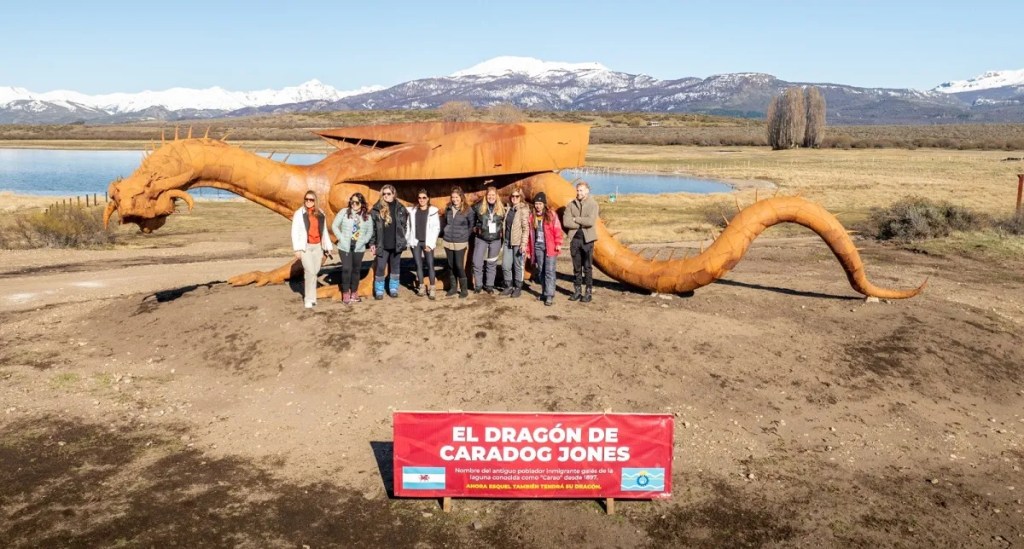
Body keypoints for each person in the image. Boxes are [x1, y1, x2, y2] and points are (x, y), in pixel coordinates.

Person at [290, 190, 333, 309]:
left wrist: (328, 246)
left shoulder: (321, 213)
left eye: (311, 200)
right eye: (306, 199)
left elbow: (324, 231)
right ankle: (308, 299)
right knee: (310, 272)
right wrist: (297, 249)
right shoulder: (299, 213)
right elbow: (295, 232)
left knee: (315, 271)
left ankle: (313, 297)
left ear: (315, 201)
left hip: (318, 247)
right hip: (306, 247)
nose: (308, 201)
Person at [331, 192, 375, 304]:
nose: (354, 204)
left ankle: (354, 292)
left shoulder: (367, 216)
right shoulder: (344, 212)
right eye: (352, 202)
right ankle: (346, 292)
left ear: (361, 203)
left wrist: (364, 241)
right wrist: (341, 238)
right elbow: (334, 226)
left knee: (356, 270)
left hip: (358, 247)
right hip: (344, 246)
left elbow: (370, 231)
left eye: (357, 202)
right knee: (347, 269)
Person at [561, 180, 599, 303]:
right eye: (577, 190)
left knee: (587, 267)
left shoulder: (593, 204)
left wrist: (575, 219)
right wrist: (581, 222)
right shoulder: (571, 205)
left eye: (581, 190)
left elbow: (590, 221)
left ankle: (588, 292)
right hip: (575, 240)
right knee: (576, 267)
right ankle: (577, 291)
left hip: (587, 240)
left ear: (587, 191)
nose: (579, 193)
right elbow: (566, 222)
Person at [371, 184, 410, 299]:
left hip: (396, 243)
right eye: (384, 194)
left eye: (388, 193)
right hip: (382, 244)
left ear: (394, 194)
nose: (386, 196)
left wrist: (402, 237)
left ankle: (393, 289)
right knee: (380, 267)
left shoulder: (401, 208)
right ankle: (379, 290)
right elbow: (373, 228)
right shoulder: (376, 209)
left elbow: (405, 225)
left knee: (395, 267)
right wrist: (372, 243)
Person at [525, 192, 563, 306]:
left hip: (550, 246)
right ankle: (544, 292)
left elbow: (557, 229)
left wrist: (558, 243)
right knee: (541, 270)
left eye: (540, 203)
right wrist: (528, 250)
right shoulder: (532, 216)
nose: (538, 206)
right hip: (538, 246)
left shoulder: (551, 214)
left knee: (549, 271)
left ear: (544, 204)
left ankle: (549, 295)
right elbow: (530, 236)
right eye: (536, 203)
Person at [441, 187, 476, 299]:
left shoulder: (468, 210)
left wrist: (464, 236)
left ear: (461, 197)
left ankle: (464, 289)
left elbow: (471, 225)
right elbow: (446, 222)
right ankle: (453, 288)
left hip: (460, 242)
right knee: (450, 265)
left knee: (459, 265)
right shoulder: (448, 209)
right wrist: (445, 232)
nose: (454, 199)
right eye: (453, 197)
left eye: (456, 197)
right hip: (448, 241)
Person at [406, 189, 440, 299]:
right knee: (418, 264)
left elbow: (436, 228)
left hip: (427, 242)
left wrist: (430, 244)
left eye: (424, 197)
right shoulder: (412, 211)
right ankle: (421, 286)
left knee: (430, 264)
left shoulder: (433, 211)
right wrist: (408, 239)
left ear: (428, 198)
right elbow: (408, 226)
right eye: (419, 197)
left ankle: (432, 287)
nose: (422, 200)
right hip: (416, 241)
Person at [471, 186, 506, 294]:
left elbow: (504, 222)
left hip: (495, 239)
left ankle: (489, 285)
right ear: (486, 196)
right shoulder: (478, 207)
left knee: (492, 263)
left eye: (493, 195)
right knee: (477, 262)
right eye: (489, 195)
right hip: (481, 238)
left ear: (496, 196)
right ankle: (478, 285)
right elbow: (471, 219)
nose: (491, 197)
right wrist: (475, 228)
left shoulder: (501, 208)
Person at [500, 186, 531, 298]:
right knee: (505, 265)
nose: (514, 198)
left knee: (518, 265)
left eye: (517, 196)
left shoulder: (523, 210)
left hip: (518, 243)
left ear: (520, 197)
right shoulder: (509, 209)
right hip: (507, 241)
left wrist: (523, 243)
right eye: (512, 196)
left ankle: (518, 287)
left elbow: (526, 228)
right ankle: (508, 286)